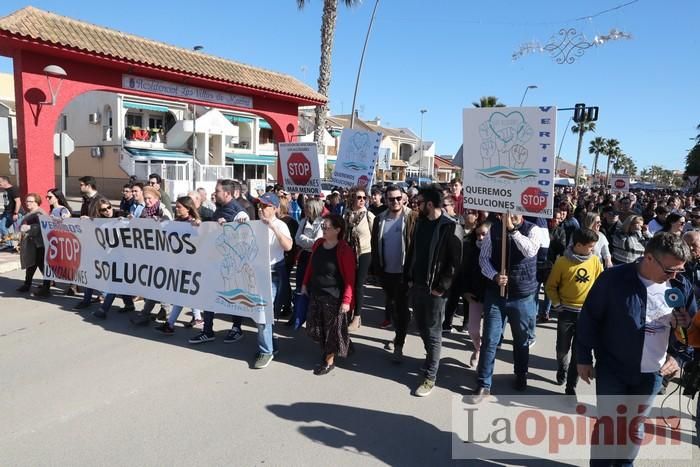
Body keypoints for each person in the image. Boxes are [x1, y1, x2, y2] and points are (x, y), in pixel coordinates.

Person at [577, 233, 695, 466]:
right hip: (613, 367)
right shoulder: (613, 279)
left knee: (634, 426)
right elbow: (590, 318)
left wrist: (679, 357)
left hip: (652, 374)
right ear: (649, 258)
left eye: (680, 270)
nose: (674, 276)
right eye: (670, 269)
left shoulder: (681, 285)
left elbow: (694, 329)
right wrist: (583, 357)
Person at [472, 213, 540, 402]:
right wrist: (494, 275)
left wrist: (512, 231)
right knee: (490, 339)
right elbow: (483, 259)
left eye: (516, 211)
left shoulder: (532, 230)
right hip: (496, 294)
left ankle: (520, 374)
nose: (512, 215)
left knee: (521, 340)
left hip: (522, 296)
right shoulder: (493, 230)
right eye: (508, 212)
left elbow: (530, 251)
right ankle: (484, 384)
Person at [404, 185, 463, 397]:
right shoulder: (420, 223)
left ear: (429, 204)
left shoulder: (450, 226)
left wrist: (441, 287)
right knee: (421, 327)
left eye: (418, 202)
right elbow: (412, 252)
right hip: (418, 285)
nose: (415, 205)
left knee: (433, 332)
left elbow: (455, 263)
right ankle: (431, 360)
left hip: (436, 291)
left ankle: (430, 376)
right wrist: (408, 278)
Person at [189, 179, 250, 344]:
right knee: (209, 295)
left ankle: (236, 328)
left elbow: (244, 240)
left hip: (231, 265)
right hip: (215, 261)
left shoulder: (240, 213)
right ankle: (207, 330)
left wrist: (228, 226)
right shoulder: (219, 209)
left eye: (217, 191)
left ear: (227, 193)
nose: (214, 194)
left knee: (233, 297)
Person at [545, 228, 603, 396]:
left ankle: (571, 385)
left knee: (579, 352)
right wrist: (557, 304)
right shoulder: (562, 262)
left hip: (586, 315)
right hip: (566, 313)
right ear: (578, 245)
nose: (592, 249)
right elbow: (550, 286)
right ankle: (561, 368)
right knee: (562, 348)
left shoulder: (595, 262)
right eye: (590, 246)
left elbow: (600, 285)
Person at [301, 213, 356, 375]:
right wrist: (304, 283)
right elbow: (311, 266)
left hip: (334, 297)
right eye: (322, 227)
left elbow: (350, 279)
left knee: (330, 333)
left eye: (327, 227)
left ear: (338, 230)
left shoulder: (344, 250)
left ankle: (328, 361)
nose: (323, 229)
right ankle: (345, 343)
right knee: (316, 328)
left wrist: (347, 301)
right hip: (316, 293)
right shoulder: (318, 243)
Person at [370, 184, 418, 361]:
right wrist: (376, 271)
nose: (395, 202)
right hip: (386, 272)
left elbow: (416, 247)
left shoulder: (412, 217)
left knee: (401, 308)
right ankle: (399, 332)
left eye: (398, 198)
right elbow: (376, 246)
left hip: (404, 274)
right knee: (392, 307)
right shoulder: (380, 219)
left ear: (403, 198)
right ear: (386, 200)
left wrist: (412, 274)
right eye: (391, 199)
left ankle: (399, 344)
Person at [154, 196, 204, 334]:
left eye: (179, 207)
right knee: (187, 294)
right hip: (178, 263)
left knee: (181, 295)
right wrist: (159, 224)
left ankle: (170, 325)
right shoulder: (176, 222)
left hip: (190, 264)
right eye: (176, 206)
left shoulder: (193, 222)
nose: (176, 209)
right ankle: (198, 318)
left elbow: (200, 239)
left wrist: (198, 226)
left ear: (188, 208)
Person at [343, 186, 375, 331]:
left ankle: (357, 316)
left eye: (364, 198)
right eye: (359, 197)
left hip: (364, 253)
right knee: (348, 283)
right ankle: (348, 311)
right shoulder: (347, 214)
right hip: (349, 253)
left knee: (358, 285)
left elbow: (376, 237)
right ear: (352, 198)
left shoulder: (369, 216)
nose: (362, 200)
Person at [461, 220, 491, 368]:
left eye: (484, 234)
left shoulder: (498, 252)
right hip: (475, 295)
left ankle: (484, 358)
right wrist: (465, 291)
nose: (480, 238)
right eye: (478, 235)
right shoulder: (471, 250)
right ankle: (478, 348)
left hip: (493, 296)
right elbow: (464, 272)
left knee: (490, 332)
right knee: (473, 330)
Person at [293, 198, 325, 325]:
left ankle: (313, 316)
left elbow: (317, 242)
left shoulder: (322, 223)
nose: (305, 210)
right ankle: (298, 314)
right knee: (300, 285)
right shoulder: (303, 221)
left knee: (312, 286)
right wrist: (306, 240)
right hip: (304, 256)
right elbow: (296, 239)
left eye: (307, 208)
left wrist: (303, 239)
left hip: (315, 257)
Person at [16, 193, 50, 297]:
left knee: (42, 266)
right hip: (32, 244)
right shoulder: (31, 212)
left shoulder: (39, 213)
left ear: (37, 202)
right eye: (26, 201)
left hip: (39, 244)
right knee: (31, 264)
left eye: (30, 201)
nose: (27, 203)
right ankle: (27, 284)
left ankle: (46, 288)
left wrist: (29, 228)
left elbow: (42, 227)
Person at [0, 175, 21, 251]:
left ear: (5, 181)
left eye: (0, 182)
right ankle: (9, 244)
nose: (0, 184)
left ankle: (18, 247)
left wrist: (15, 213)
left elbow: (18, 202)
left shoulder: (13, 189)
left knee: (17, 230)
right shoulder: (5, 190)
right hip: (7, 213)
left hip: (13, 213)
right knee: (2, 227)